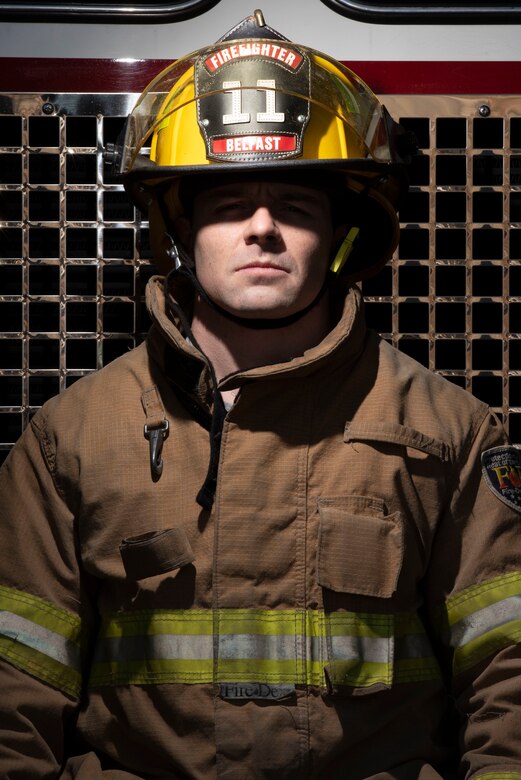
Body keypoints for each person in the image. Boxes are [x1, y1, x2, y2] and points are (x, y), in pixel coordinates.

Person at [0, 9, 520, 779]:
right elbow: (14, 695)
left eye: (298, 207)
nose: (264, 228)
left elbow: (507, 679)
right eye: (228, 203)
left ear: (342, 235)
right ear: (178, 228)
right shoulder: (71, 439)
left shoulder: (450, 432)